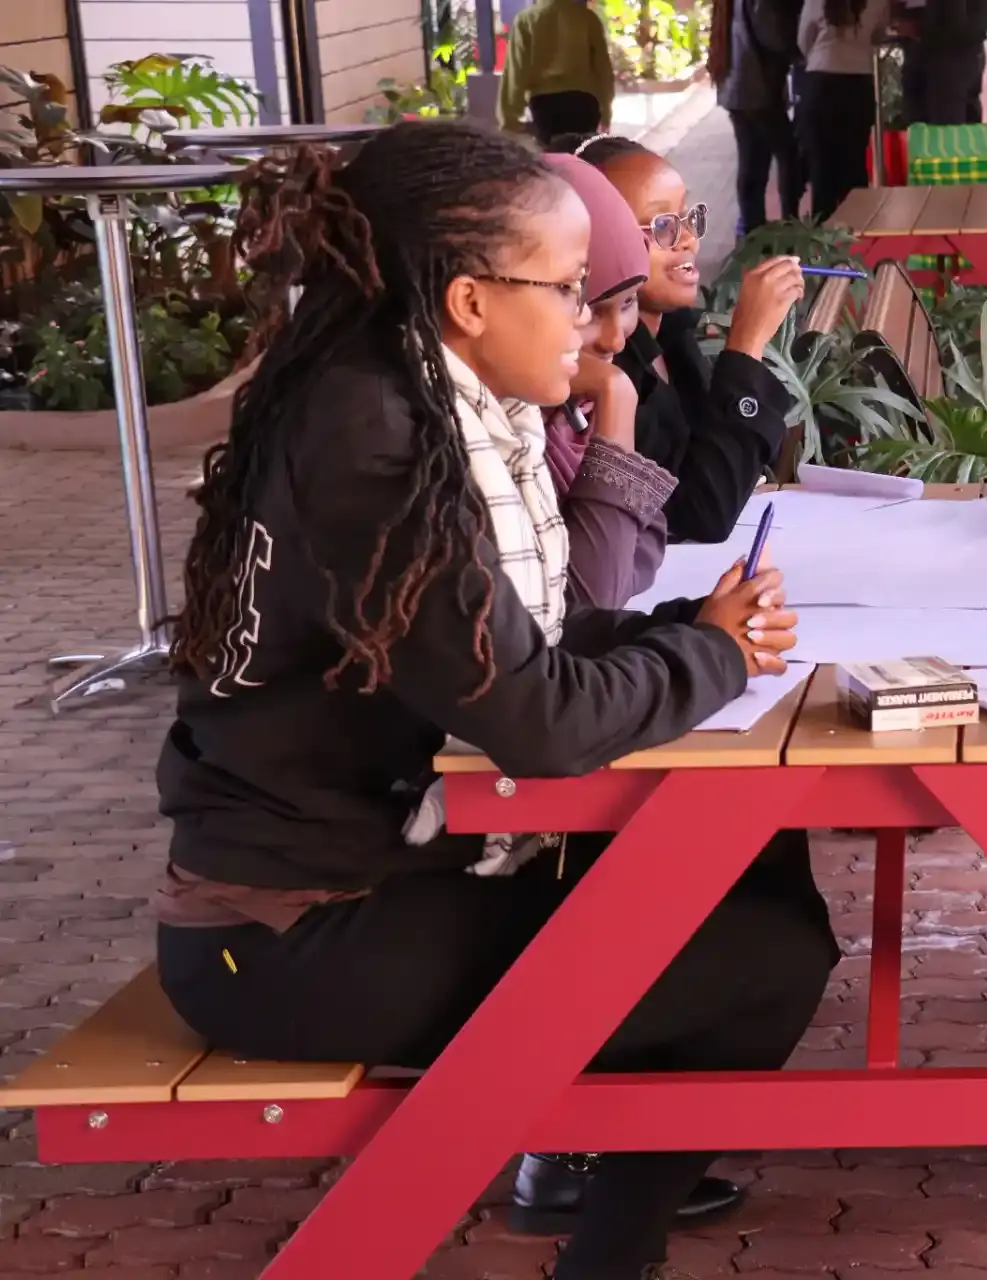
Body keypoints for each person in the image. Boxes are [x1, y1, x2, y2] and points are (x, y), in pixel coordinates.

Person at [152, 120, 838, 1280]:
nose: (589, 320)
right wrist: (710, 657)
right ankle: (602, 1245)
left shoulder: (403, 406)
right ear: (470, 300)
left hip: (356, 884)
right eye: (568, 288)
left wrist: (683, 630)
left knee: (752, 868)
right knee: (766, 950)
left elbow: (515, 640)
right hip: (291, 939)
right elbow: (539, 720)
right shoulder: (372, 439)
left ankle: (592, 1209)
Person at [561, 133, 808, 543]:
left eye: (686, 217)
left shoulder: (672, 332)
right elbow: (702, 512)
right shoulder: (601, 362)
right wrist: (746, 345)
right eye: (662, 226)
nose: (689, 239)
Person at [538, 152, 676, 610]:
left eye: (630, 302)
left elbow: (648, 541)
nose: (616, 339)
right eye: (593, 310)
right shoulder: (505, 427)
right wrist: (616, 398)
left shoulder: (569, 414)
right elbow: (595, 599)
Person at [797, 0, 888, 224]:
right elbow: (879, 36)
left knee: (821, 169)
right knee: (855, 165)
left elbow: (803, 40)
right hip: (858, 83)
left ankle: (821, 245)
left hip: (820, 82)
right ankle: (856, 237)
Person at [719, 0, 806, 231]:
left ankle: (754, 231)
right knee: (788, 154)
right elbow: (773, 37)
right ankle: (790, 223)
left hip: (737, 87)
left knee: (753, 161)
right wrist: (797, 45)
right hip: (757, 88)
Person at [499, 0, 618, 144]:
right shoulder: (587, 18)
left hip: (545, 106)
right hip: (584, 104)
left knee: (551, 160)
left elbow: (516, 73)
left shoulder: (526, 20)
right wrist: (605, 112)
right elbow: (603, 69)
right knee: (582, 158)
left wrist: (510, 121)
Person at [917, 0, 987, 123]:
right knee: (969, 118)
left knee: (948, 128)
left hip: (951, 57)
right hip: (971, 50)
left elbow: (955, 22)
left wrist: (923, 31)